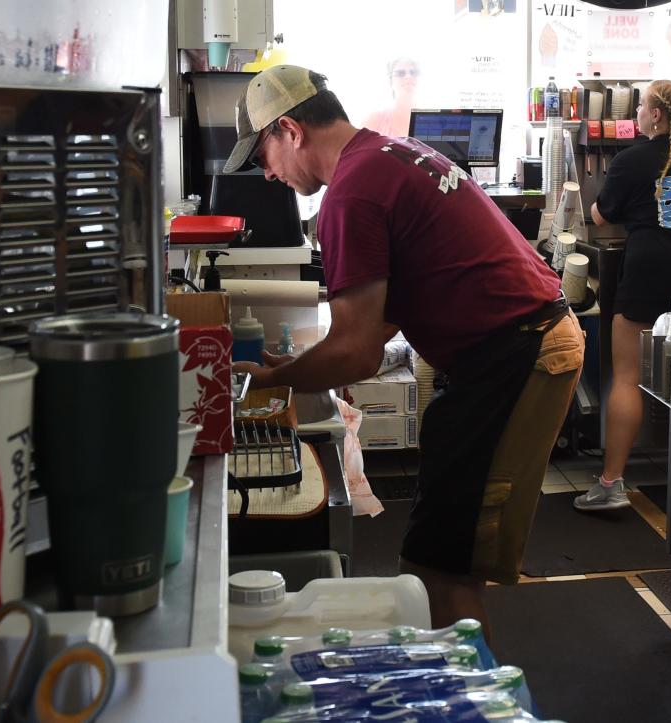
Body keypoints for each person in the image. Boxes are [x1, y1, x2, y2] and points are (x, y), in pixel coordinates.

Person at [223, 65, 584, 637]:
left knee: (440, 569)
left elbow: (357, 354)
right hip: (512, 347)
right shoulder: (386, 152)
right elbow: (388, 310)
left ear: (291, 130)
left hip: (517, 355)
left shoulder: (350, 194)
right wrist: (310, 361)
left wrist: (270, 378)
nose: (266, 175)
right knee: (435, 555)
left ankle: (474, 698)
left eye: (261, 154)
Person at [574, 79, 671, 512]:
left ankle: (611, 483)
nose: (636, 114)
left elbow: (602, 215)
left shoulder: (630, 159)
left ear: (656, 115)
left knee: (628, 379)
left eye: (640, 106)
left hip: (645, 269)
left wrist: (592, 208)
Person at [362, 57, 420, 137]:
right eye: (400, 73)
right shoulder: (375, 120)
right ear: (391, 81)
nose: (408, 77)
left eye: (413, 73)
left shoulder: (435, 119)